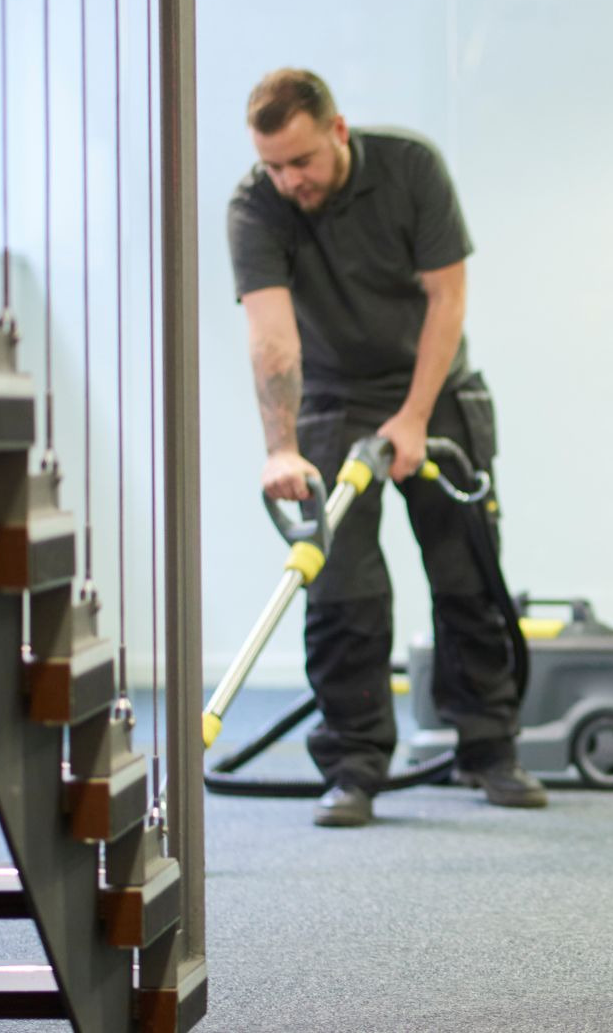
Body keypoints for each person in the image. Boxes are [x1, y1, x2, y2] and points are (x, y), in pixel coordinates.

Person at [225, 68, 544, 828]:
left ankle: (488, 750)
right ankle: (355, 766)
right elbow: (271, 336)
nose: (287, 179)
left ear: (337, 131)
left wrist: (413, 416)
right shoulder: (256, 204)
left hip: (434, 391)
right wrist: (281, 447)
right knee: (342, 594)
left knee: (468, 577)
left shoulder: (410, 168)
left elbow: (448, 298)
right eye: (273, 164)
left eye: (300, 160)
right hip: (332, 401)